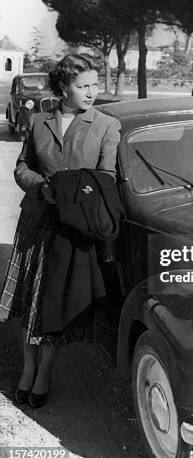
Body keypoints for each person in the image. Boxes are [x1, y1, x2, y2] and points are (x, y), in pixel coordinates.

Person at [0, 53, 121, 408]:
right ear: (63, 87)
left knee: (53, 304)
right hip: (37, 223)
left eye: (94, 85)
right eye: (83, 86)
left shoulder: (106, 126)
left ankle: (45, 372)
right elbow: (22, 167)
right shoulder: (38, 122)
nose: (91, 92)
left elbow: (107, 179)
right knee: (30, 303)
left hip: (73, 229)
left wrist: (71, 194)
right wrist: (41, 187)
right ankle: (27, 367)